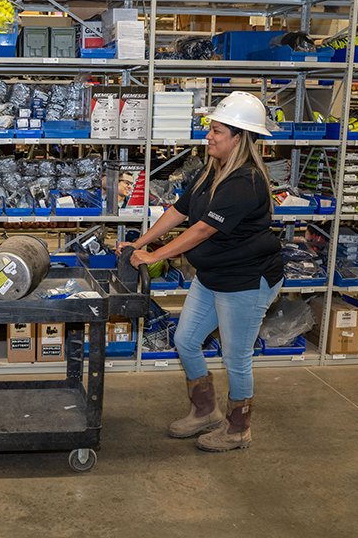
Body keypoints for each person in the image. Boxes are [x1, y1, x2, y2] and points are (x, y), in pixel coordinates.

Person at [116, 91, 283, 452]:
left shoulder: (245, 181)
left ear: (238, 137)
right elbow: (179, 211)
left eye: (217, 131)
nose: (209, 136)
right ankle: (204, 411)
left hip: (246, 281)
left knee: (235, 357)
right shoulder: (211, 171)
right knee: (186, 340)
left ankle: (239, 428)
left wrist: (154, 255)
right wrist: (138, 244)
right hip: (212, 275)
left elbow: (203, 229)